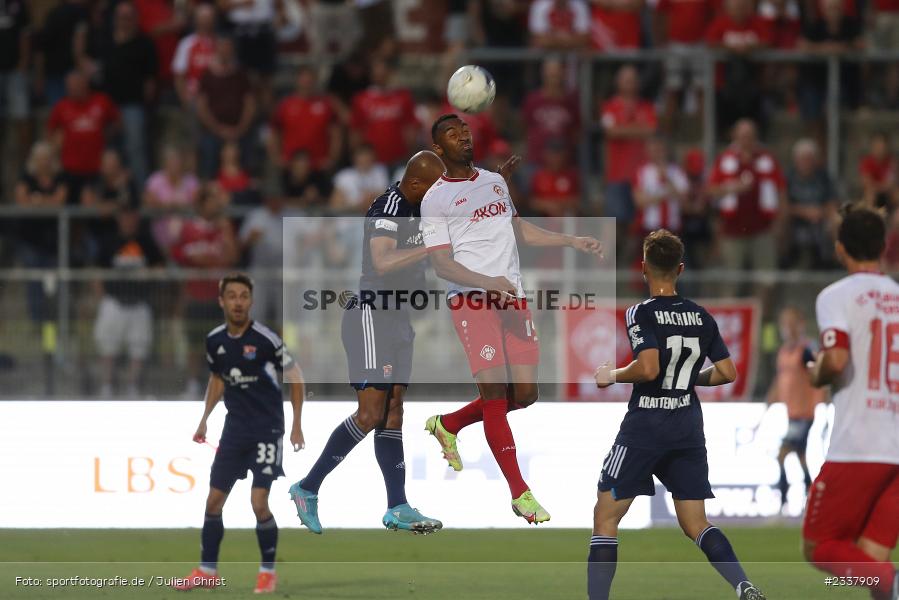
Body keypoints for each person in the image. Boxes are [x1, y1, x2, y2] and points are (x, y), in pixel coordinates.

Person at [421, 114, 601, 524]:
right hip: (472, 299)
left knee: (526, 393)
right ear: (438, 148)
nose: (463, 138)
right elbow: (443, 266)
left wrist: (572, 239)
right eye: (452, 134)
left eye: (465, 132)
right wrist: (487, 282)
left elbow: (521, 232)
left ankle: (448, 424)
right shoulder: (434, 199)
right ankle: (520, 493)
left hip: (512, 297)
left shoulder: (495, 181)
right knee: (497, 395)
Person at [590, 229, 766, 600]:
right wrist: (687, 379)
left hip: (645, 427)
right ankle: (744, 586)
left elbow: (649, 368)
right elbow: (726, 372)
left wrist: (613, 375)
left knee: (606, 518)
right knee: (695, 523)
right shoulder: (701, 316)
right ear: (680, 269)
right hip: (686, 426)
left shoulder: (641, 312)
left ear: (643, 268)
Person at [288, 151, 446, 534]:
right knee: (371, 413)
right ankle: (307, 487)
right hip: (372, 315)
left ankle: (398, 506)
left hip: (398, 319)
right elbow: (383, 261)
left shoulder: (420, 209)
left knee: (394, 412)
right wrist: (433, 247)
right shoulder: (389, 204)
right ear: (414, 185)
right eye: (433, 189)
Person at [174, 273, 305, 594]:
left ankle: (267, 571)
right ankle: (207, 570)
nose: (237, 302)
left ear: (251, 300)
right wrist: (204, 418)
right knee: (214, 500)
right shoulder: (215, 340)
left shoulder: (266, 339)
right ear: (221, 301)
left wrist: (297, 423)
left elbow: (296, 376)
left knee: (258, 502)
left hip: (267, 429)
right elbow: (218, 379)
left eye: (243, 296)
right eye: (231, 296)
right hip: (234, 431)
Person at [804, 205, 899, 600]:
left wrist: (816, 372)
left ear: (841, 249)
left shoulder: (836, 296)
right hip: (896, 446)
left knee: (818, 546)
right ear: (883, 247)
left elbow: (838, 360)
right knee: (870, 559)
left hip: (859, 444)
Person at [91, 206, 164, 398]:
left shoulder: (146, 242)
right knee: (107, 344)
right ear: (119, 218)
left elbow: (160, 267)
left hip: (139, 302)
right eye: (125, 216)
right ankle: (107, 385)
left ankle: (133, 386)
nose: (128, 220)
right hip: (114, 301)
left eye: (131, 216)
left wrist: (149, 274)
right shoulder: (109, 242)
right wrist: (101, 298)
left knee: (139, 346)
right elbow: (97, 271)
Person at [764, 307, 823, 512]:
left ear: (800, 325)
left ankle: (783, 502)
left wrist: (821, 402)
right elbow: (780, 380)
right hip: (792, 414)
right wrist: (770, 399)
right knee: (801, 457)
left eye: (791, 322)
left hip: (805, 414)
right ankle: (812, 500)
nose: (787, 327)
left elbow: (818, 375)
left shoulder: (806, 350)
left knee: (782, 454)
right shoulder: (784, 352)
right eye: (784, 323)